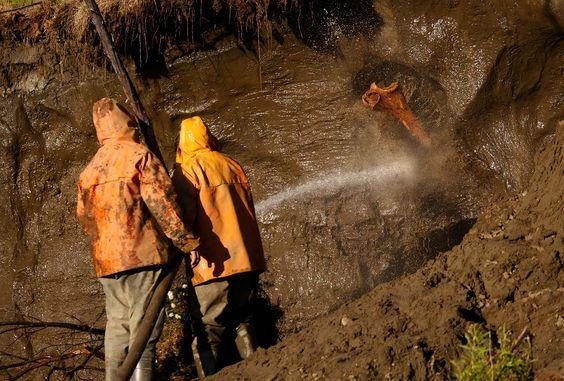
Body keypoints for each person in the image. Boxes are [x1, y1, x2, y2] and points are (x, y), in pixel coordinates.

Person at [76, 98, 200, 381]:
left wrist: (105, 245)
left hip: (107, 262)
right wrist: (185, 241)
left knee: (118, 326)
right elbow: (163, 204)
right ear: (128, 121)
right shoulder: (137, 155)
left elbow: (84, 218)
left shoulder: (90, 170)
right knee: (144, 328)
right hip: (142, 255)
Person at [172, 116, 266, 377]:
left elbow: (184, 218)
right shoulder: (231, 164)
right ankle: (259, 372)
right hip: (246, 257)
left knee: (207, 327)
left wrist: (185, 246)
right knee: (243, 319)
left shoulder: (188, 171)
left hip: (213, 262)